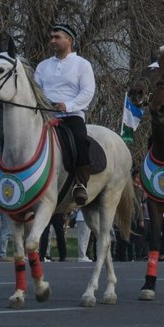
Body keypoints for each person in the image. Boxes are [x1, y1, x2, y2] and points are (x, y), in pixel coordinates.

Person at [33, 23, 97, 205]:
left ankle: (80, 183)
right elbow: (36, 91)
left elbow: (87, 91)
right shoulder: (43, 66)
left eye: (57, 37)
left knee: (80, 140)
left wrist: (67, 105)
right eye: (51, 37)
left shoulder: (82, 65)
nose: (52, 40)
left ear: (69, 40)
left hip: (71, 115)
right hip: (46, 115)